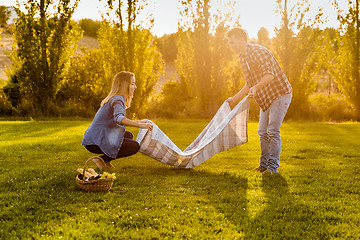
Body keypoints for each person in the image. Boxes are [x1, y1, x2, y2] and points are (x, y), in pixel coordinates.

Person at [225, 27, 292, 174]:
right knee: (262, 131)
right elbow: (249, 83)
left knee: (272, 131)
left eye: (233, 43)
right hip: (266, 97)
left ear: (242, 40)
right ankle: (263, 166)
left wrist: (256, 87)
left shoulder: (258, 52)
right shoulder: (242, 57)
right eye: (230, 43)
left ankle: (273, 169)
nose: (231, 46)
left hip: (280, 93)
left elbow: (270, 75)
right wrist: (234, 98)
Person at [82, 71, 153, 170]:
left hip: (94, 139)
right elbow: (119, 119)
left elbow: (120, 118)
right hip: (95, 142)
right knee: (134, 146)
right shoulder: (118, 99)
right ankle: (101, 159)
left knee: (128, 135)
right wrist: (140, 125)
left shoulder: (117, 99)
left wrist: (140, 121)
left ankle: (105, 161)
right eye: (132, 84)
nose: (135, 87)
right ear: (124, 85)